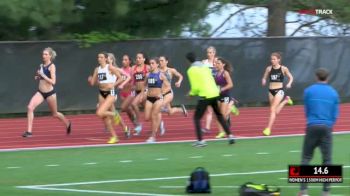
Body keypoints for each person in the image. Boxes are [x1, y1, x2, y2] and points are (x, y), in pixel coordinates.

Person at [298, 68, 339, 196]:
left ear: (316, 77)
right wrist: (328, 124)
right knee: (327, 160)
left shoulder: (309, 91)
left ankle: (304, 191)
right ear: (328, 77)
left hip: (312, 125)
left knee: (306, 158)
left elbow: (307, 110)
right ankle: (326, 192)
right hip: (326, 127)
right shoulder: (333, 93)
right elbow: (334, 115)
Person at [186, 52, 234, 147]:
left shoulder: (191, 70)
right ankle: (230, 136)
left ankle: (200, 141)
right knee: (219, 116)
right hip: (214, 93)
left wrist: (190, 94)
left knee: (197, 118)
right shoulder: (205, 67)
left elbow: (195, 87)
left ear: (188, 61)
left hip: (205, 96)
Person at [22, 47, 71, 137]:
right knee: (30, 107)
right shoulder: (41, 66)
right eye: (43, 54)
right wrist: (38, 77)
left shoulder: (52, 66)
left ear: (50, 56)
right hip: (40, 92)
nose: (43, 56)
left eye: (46, 54)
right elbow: (40, 77)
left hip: (50, 93)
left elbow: (53, 81)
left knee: (55, 114)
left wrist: (43, 75)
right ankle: (29, 132)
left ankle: (67, 123)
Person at [88, 52, 123, 144]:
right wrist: (91, 80)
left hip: (111, 92)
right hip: (101, 92)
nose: (99, 59)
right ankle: (114, 137)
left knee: (99, 112)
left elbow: (121, 78)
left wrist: (113, 84)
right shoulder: (97, 69)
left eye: (101, 57)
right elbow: (93, 83)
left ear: (106, 58)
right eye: (98, 57)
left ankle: (115, 115)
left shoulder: (110, 67)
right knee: (104, 117)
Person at [261, 52, 294, 136]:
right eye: (271, 59)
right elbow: (264, 77)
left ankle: (268, 129)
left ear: (278, 60)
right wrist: (264, 80)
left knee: (272, 109)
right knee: (275, 111)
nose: (272, 61)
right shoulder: (268, 69)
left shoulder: (283, 69)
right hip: (270, 91)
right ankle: (286, 100)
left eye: (274, 59)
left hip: (279, 90)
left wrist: (289, 83)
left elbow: (291, 77)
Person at [107, 53, 131, 138]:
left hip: (112, 93)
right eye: (106, 58)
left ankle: (111, 123)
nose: (106, 59)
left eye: (108, 58)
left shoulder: (114, 68)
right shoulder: (104, 69)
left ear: (112, 60)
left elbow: (128, 76)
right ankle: (125, 128)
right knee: (113, 111)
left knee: (101, 107)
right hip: (105, 93)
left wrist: (120, 84)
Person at [144, 57, 168, 143]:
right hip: (149, 98)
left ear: (157, 64)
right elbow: (144, 85)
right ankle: (159, 122)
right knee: (146, 118)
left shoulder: (161, 75)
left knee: (154, 115)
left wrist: (162, 93)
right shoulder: (147, 75)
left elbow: (168, 86)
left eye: (153, 63)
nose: (151, 65)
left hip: (158, 99)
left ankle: (153, 137)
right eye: (150, 63)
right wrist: (144, 92)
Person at [213, 57, 235, 139]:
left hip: (225, 96)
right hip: (218, 96)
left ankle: (222, 132)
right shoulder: (215, 73)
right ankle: (221, 132)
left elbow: (230, 84)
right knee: (217, 115)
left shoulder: (225, 73)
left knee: (222, 115)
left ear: (223, 64)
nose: (217, 65)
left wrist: (222, 89)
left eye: (219, 63)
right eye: (216, 63)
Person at [131, 52, 150, 135]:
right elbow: (132, 81)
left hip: (146, 90)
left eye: (139, 58)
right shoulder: (133, 68)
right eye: (137, 58)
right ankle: (159, 123)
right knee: (148, 112)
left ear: (144, 59)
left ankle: (138, 124)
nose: (138, 59)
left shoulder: (148, 68)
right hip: (137, 91)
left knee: (134, 104)